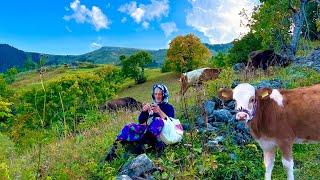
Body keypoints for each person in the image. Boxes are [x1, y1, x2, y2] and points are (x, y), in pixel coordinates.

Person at [103, 83, 175, 162]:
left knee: (158, 121)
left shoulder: (169, 107)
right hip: (146, 130)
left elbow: (170, 122)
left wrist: (159, 111)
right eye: (156, 94)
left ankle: (143, 145)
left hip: (159, 135)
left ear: (164, 95)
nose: (157, 96)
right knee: (129, 126)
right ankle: (114, 150)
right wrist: (144, 111)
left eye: (160, 94)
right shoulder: (152, 105)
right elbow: (141, 121)